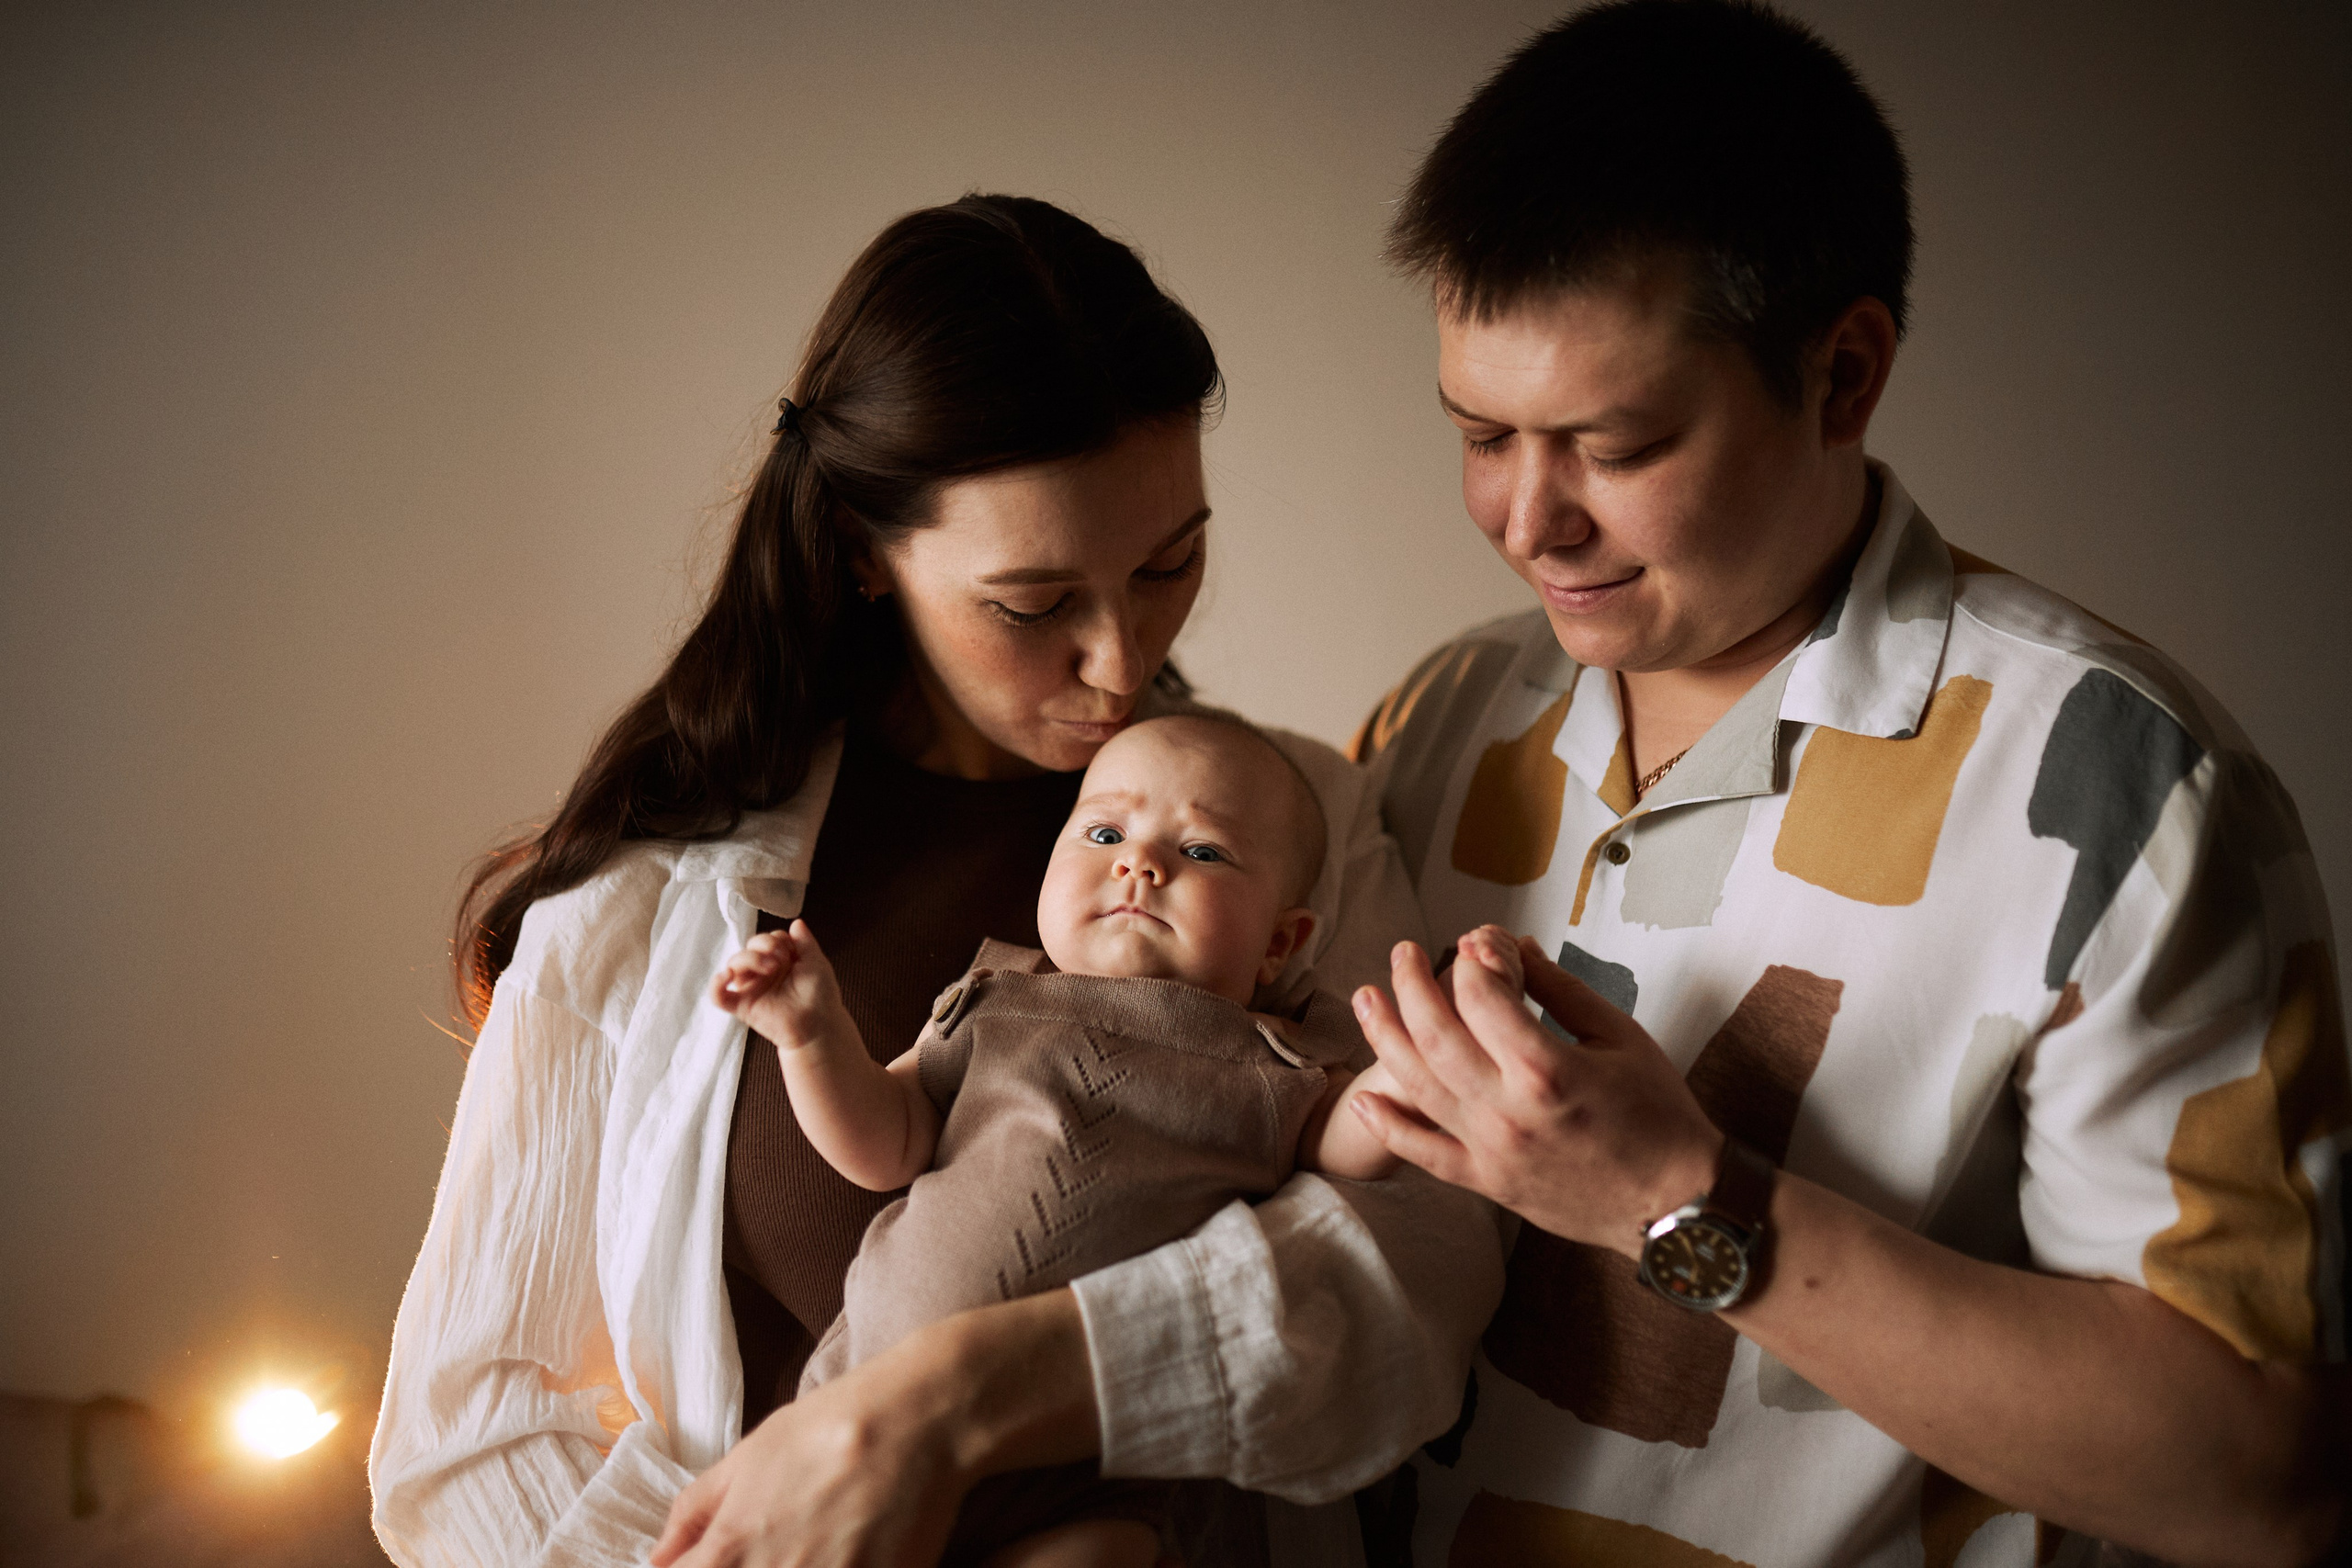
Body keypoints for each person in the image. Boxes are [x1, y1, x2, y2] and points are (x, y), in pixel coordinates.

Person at [1339, 3, 2348, 1564]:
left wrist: (1678, 1200)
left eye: (1615, 445)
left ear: (1844, 374)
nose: (1528, 521)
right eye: (1481, 434)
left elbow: (2261, 1480)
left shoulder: (2125, 781)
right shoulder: (1436, 718)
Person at [368, 195, 1509, 1568]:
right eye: (1034, 605)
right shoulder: (645, 903)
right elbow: (465, 1434)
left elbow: (1417, 1275)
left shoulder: (1296, 820)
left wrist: (965, 1399)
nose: (1121, 658)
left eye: (1170, 563)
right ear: (863, 550)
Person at [708, 715, 1426, 1566]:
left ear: (1280, 942)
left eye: (1202, 851)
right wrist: (812, 1036)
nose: (1140, 863)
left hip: (1095, 1458)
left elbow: (1348, 1145)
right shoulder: (997, 996)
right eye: (1105, 833)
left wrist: (1413, 1070)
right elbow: (882, 1145)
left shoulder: (1270, 1058)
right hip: (868, 1393)